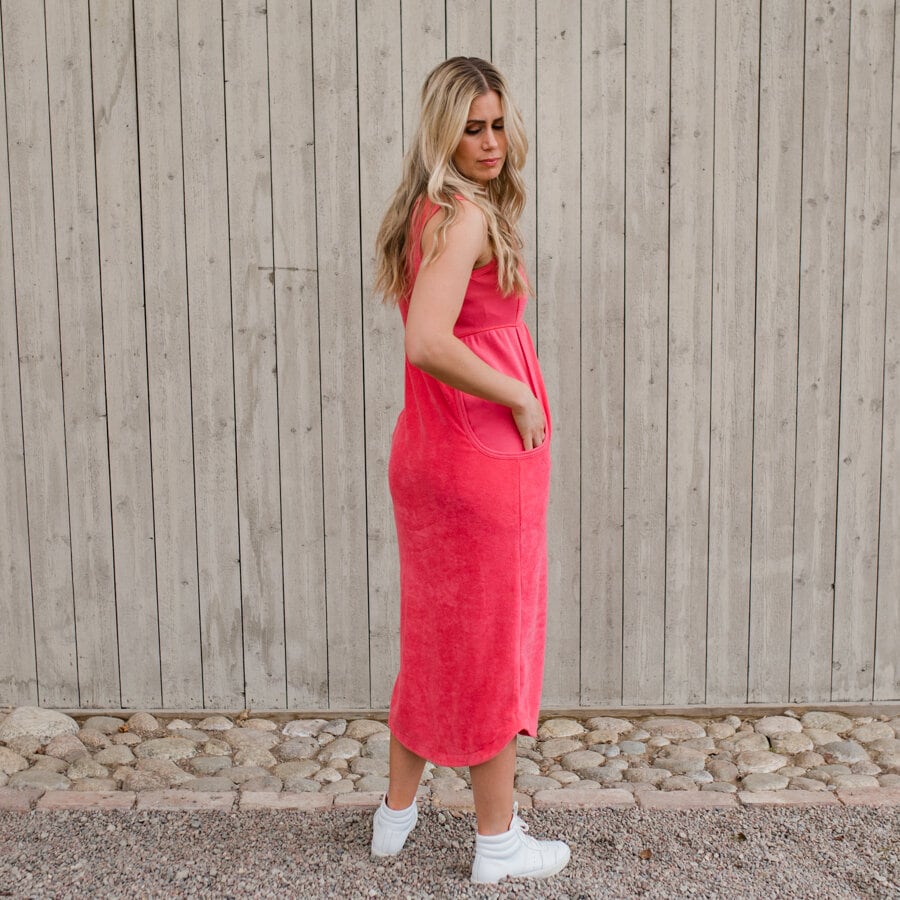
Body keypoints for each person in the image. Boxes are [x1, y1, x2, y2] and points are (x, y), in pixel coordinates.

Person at [370, 56, 570, 885]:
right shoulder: (465, 219)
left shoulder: (428, 209)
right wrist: (519, 394)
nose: (490, 143)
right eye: (472, 128)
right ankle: (498, 842)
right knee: (492, 646)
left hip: (432, 453)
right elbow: (428, 341)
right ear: (442, 133)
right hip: (478, 460)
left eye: (496, 126)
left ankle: (394, 819)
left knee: (435, 639)